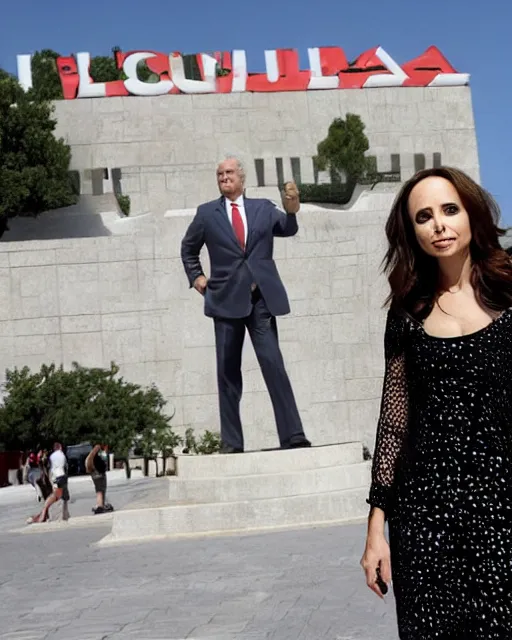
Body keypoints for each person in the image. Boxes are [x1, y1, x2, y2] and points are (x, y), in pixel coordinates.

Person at [360, 166, 512, 638]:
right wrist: (375, 529)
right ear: (412, 233)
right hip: (426, 515)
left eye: (449, 210)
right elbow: (394, 423)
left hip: (502, 505)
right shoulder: (408, 314)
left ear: (472, 214)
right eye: (423, 217)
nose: (439, 224)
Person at [180, 156, 311, 454]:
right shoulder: (206, 214)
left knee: (273, 365)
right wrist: (198, 279)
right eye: (219, 174)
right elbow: (188, 249)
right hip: (225, 302)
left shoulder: (263, 208)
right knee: (228, 374)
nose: (224, 177)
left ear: (242, 177)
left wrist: (292, 210)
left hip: (261, 300)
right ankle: (231, 443)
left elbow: (288, 228)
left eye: (229, 172)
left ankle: (293, 435)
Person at [27, 443, 70, 524]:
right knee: (56, 496)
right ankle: (43, 514)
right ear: (60, 447)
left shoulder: (51, 456)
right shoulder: (60, 455)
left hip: (55, 477)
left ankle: (58, 515)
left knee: (60, 496)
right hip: (60, 476)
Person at [85, 444, 114, 514]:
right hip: (100, 474)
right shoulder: (99, 455)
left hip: (94, 474)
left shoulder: (91, 456)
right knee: (101, 490)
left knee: (98, 490)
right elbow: (104, 461)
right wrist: (105, 450)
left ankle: (100, 505)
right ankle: (100, 506)